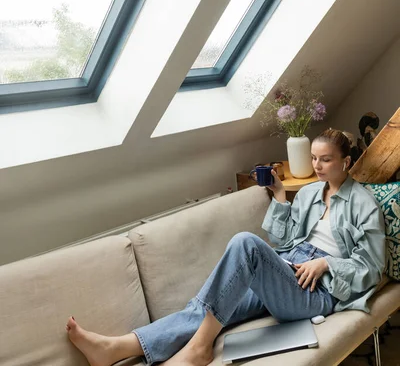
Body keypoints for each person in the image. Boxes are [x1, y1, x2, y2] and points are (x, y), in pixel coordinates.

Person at [66, 129, 386, 366]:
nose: (317, 165)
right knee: (210, 308)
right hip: (290, 269)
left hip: (318, 291)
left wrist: (327, 264)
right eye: (314, 158)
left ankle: (199, 349)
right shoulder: (308, 194)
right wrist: (278, 196)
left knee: (244, 243)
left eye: (325, 159)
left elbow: (372, 267)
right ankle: (118, 347)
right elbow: (285, 242)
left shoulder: (363, 204)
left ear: (346, 161)